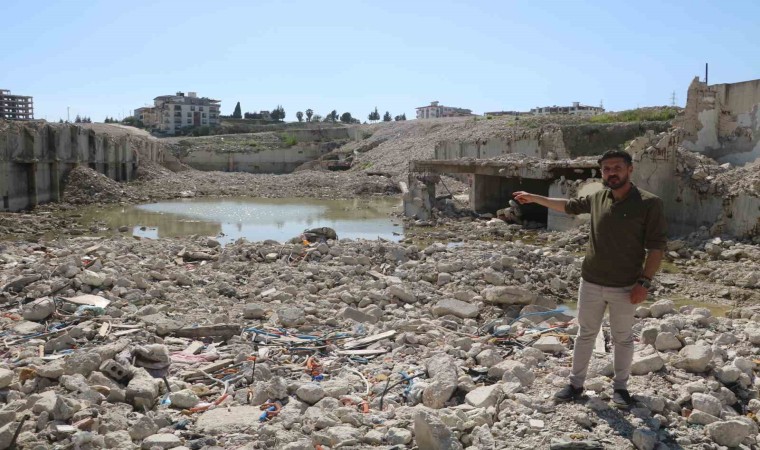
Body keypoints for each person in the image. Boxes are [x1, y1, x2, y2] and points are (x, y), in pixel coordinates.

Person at [513, 149, 667, 408]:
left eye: (617, 167)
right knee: (586, 334)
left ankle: (620, 389)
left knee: (622, 338)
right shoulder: (598, 197)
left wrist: (644, 283)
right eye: (606, 169)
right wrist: (534, 198)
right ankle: (575, 385)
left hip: (626, 286)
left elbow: (656, 247)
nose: (611, 173)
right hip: (591, 282)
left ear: (630, 169)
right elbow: (568, 206)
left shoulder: (650, 203)